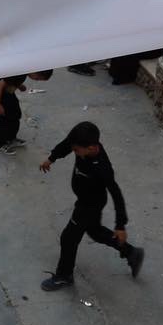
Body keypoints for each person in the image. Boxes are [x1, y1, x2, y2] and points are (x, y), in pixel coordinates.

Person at [38, 121, 144, 291]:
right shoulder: (81, 143)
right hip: (87, 199)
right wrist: (52, 158)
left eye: (77, 150)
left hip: (89, 204)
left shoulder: (102, 168)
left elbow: (116, 194)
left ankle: (64, 276)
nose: (75, 152)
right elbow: (67, 145)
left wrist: (120, 225)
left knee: (68, 238)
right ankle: (132, 253)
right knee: (95, 232)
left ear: (92, 148)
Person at [0, 74, 28, 154]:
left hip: (9, 92)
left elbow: (13, 80)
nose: (38, 80)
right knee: (5, 119)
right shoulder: (23, 70)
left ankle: (11, 138)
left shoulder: (26, 71)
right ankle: (1, 144)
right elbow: (1, 84)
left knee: (16, 115)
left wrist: (19, 86)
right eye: (38, 78)